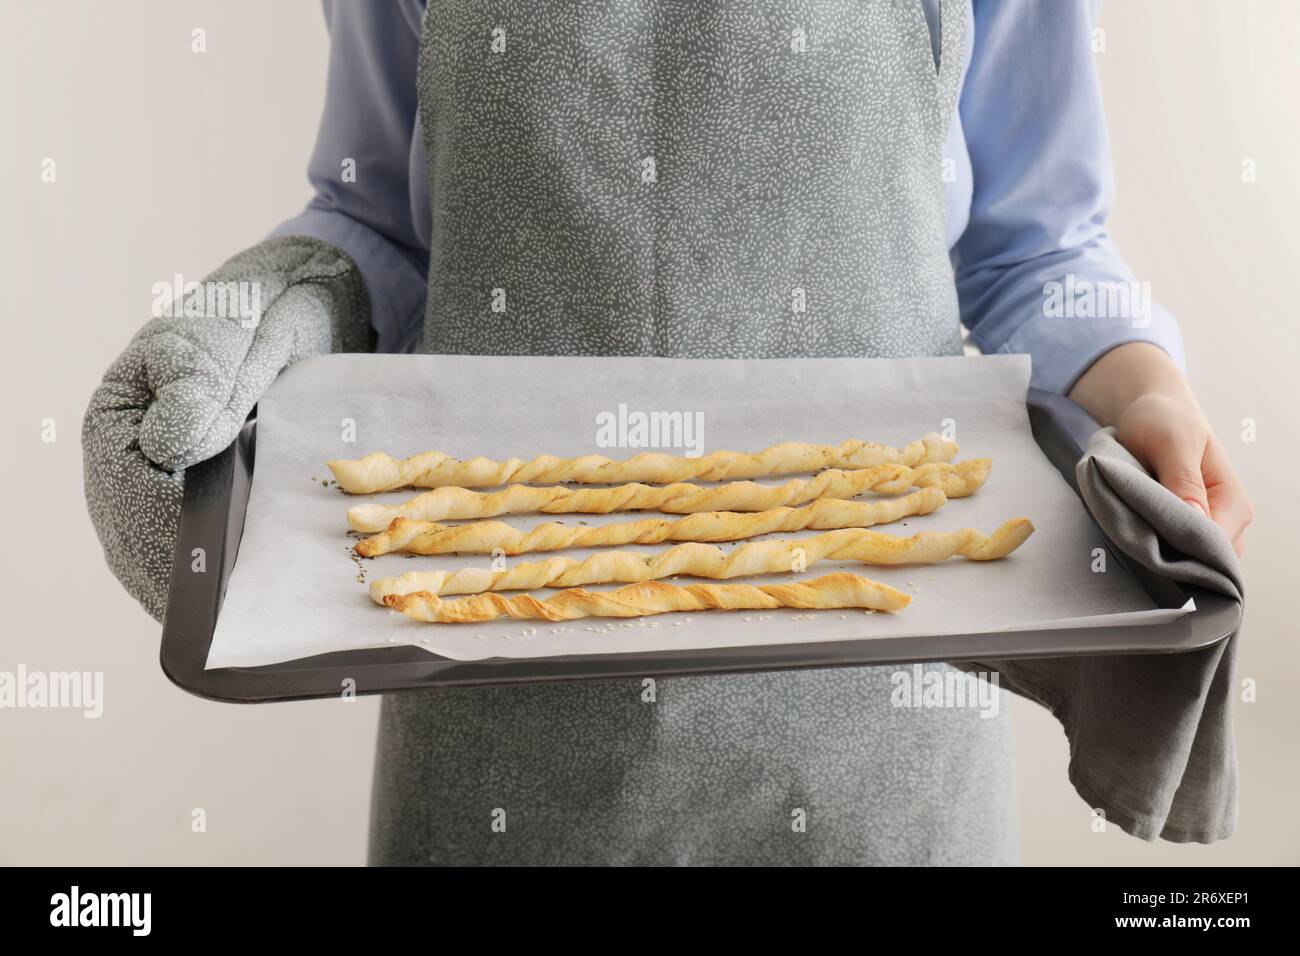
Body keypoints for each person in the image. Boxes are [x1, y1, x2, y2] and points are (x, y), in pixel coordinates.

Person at [83, 0, 1252, 865]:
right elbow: (376, 220)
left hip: (882, 728)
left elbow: (1033, 246)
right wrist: (252, 315)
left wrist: (1144, 384)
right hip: (496, 728)